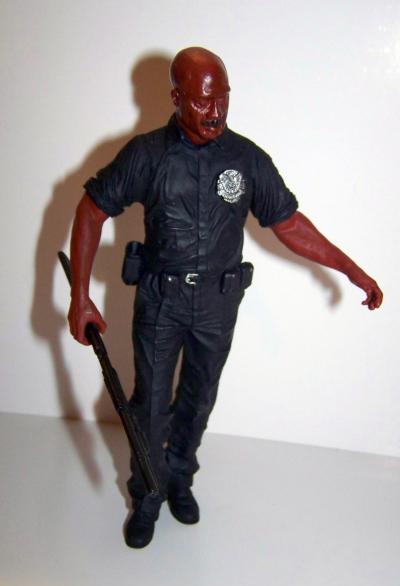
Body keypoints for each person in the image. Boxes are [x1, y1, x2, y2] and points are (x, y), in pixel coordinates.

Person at [68, 47, 383, 548]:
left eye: (222, 100)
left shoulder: (246, 159)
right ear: (176, 98)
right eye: (200, 101)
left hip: (217, 305)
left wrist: (350, 270)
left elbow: (289, 224)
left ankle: (180, 479)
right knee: (150, 406)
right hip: (161, 303)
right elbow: (91, 210)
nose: (214, 112)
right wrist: (80, 295)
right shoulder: (147, 155)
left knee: (199, 399)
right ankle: (147, 494)